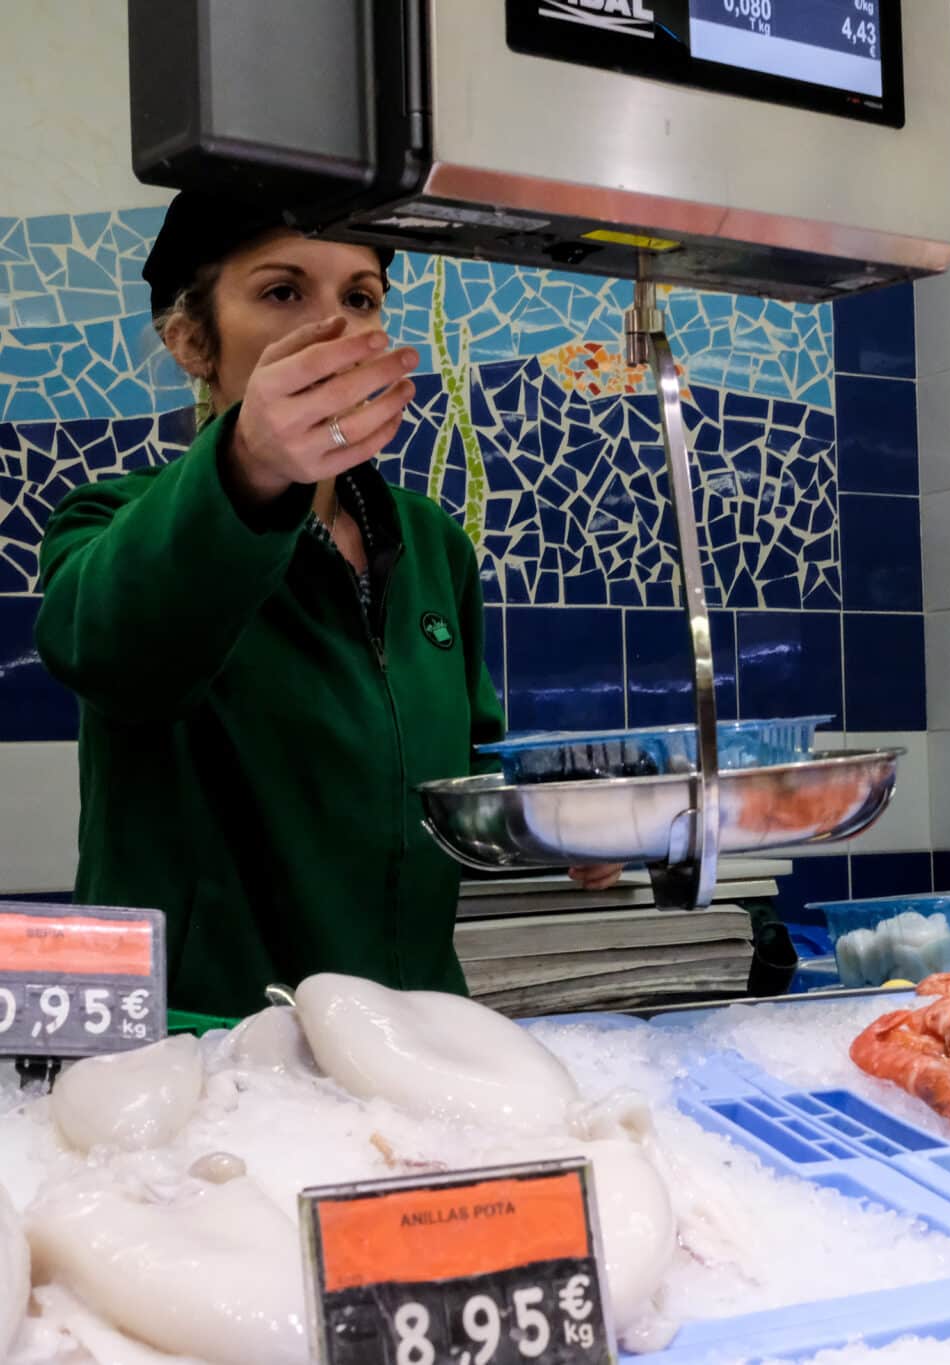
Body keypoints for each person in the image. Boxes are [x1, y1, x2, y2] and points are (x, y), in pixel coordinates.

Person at [35, 192, 619, 1017]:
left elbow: (466, 773)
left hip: (412, 1039)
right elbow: (106, 651)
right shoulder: (110, 526)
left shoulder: (431, 546)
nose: (336, 328)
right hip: (208, 1053)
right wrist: (247, 467)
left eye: (360, 298)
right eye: (283, 293)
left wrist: (566, 821)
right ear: (191, 340)